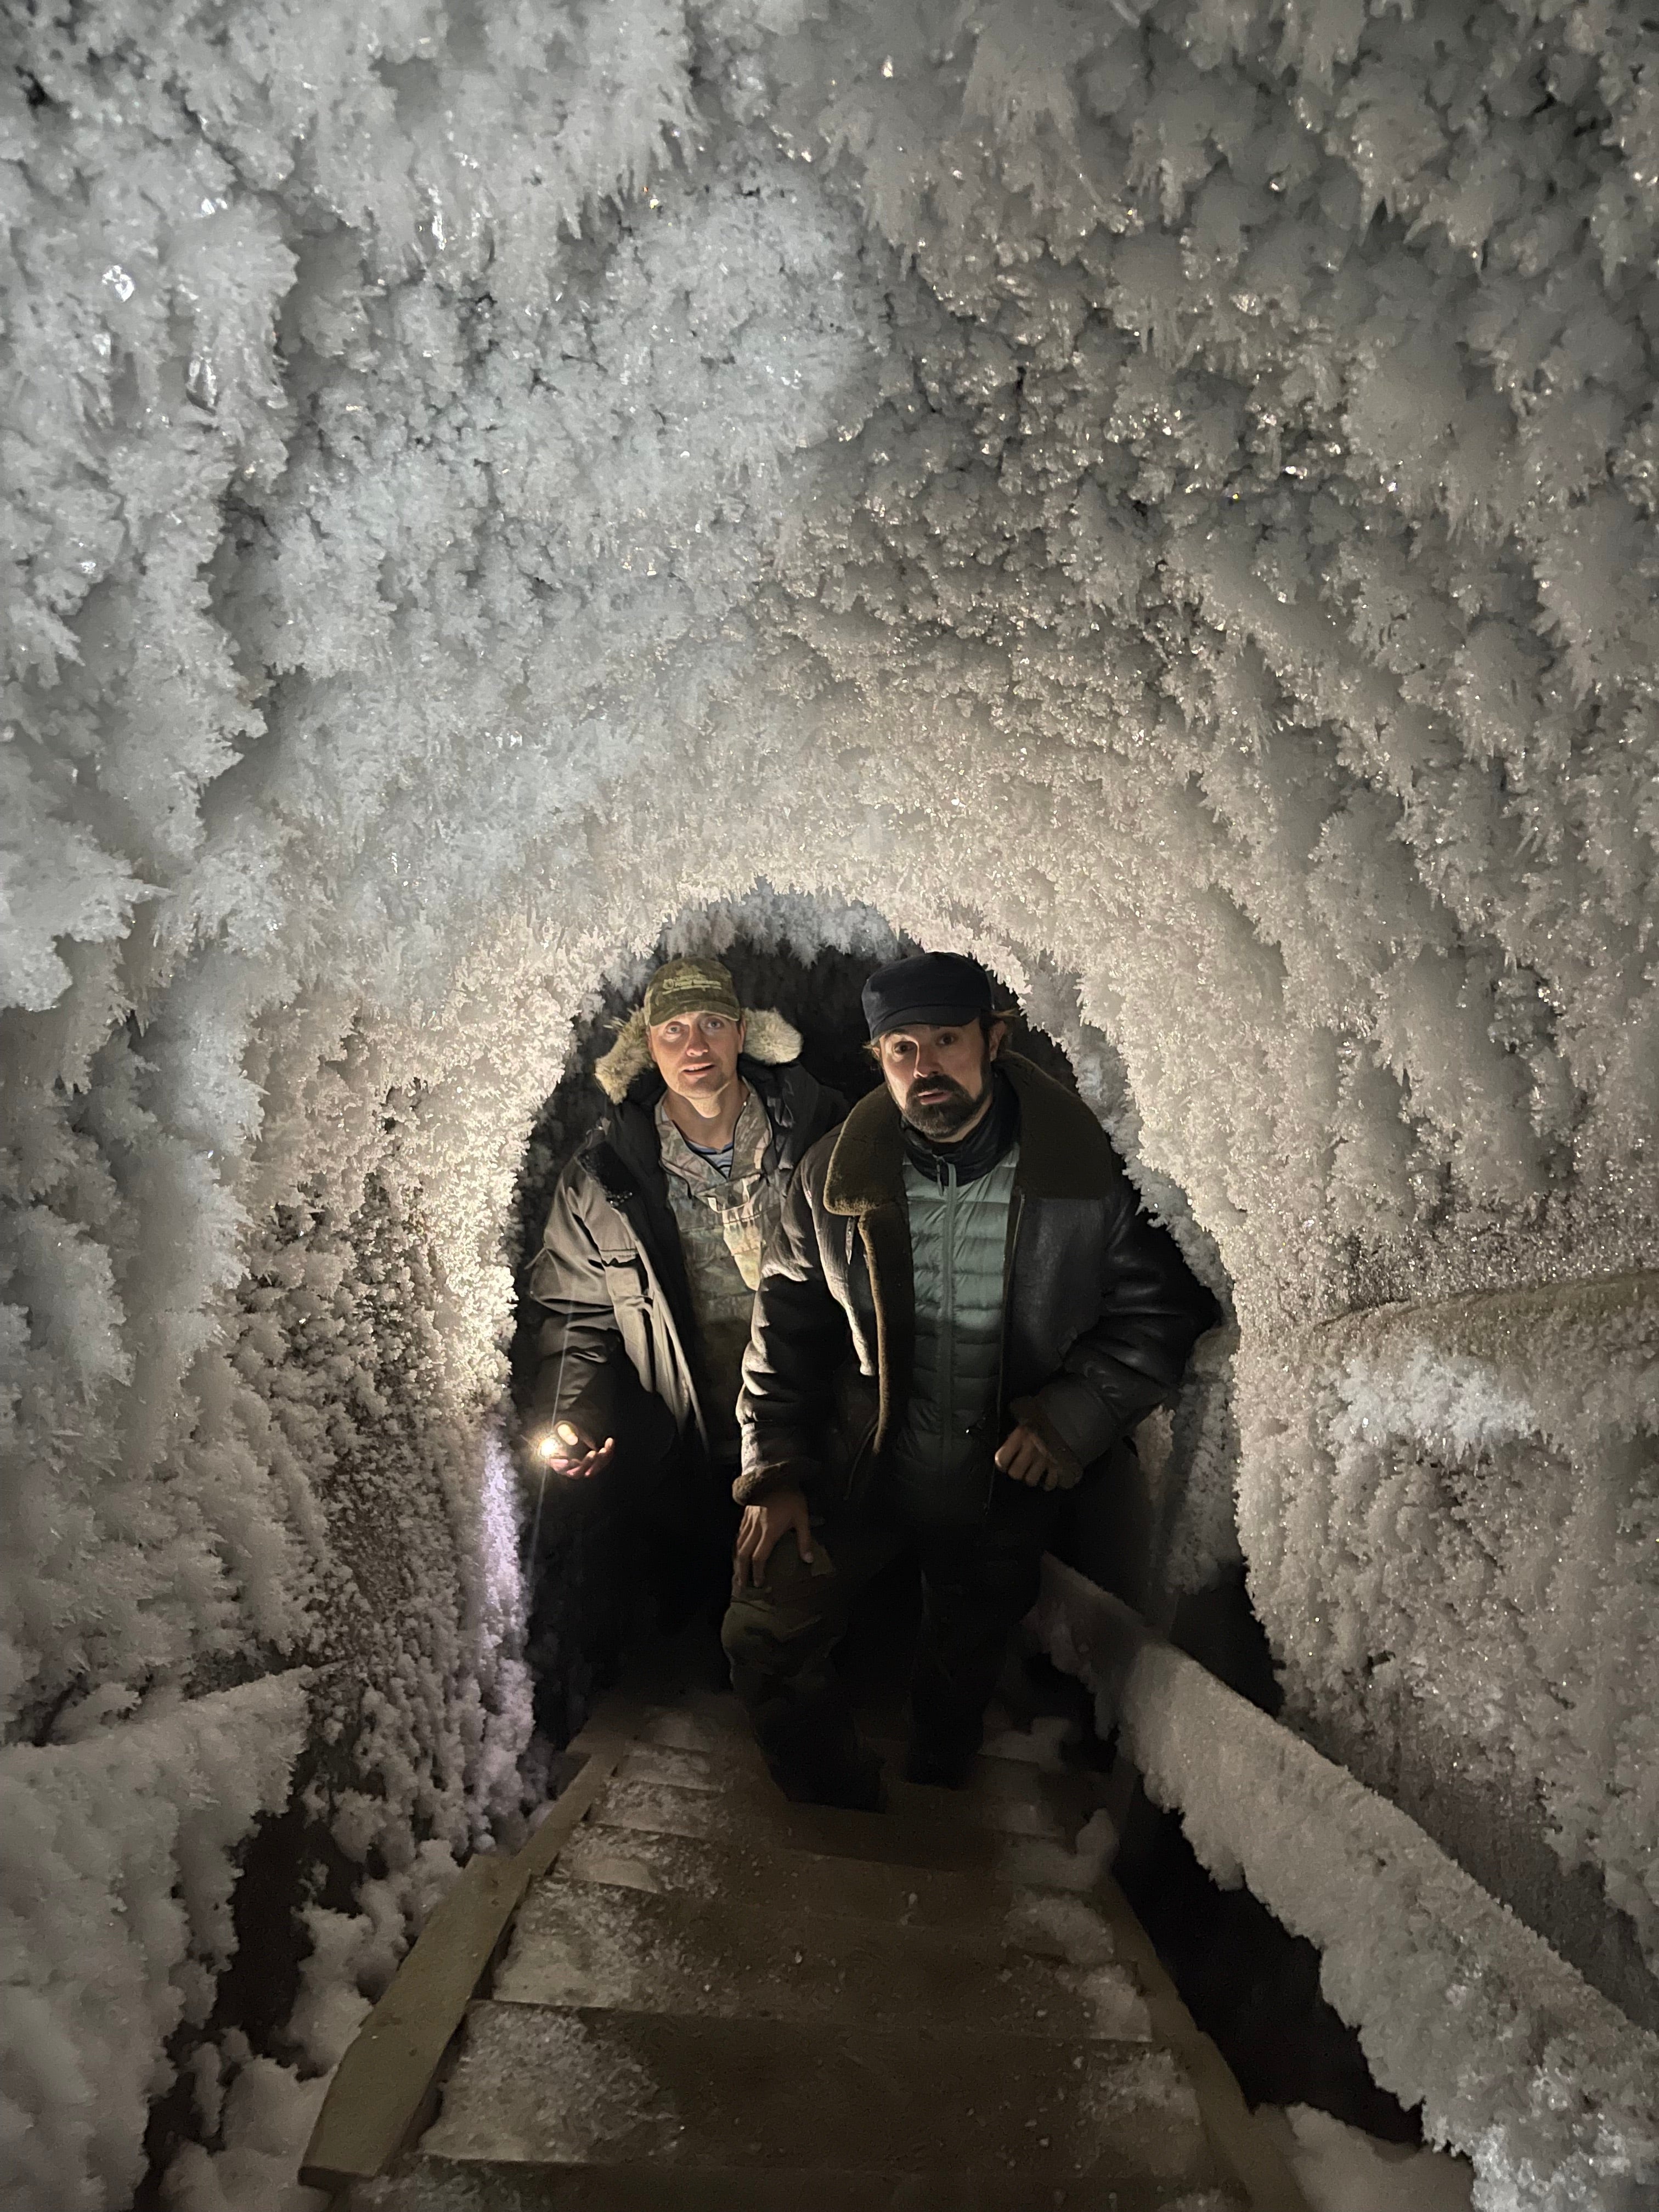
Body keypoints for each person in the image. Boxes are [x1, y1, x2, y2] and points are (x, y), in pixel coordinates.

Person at [723, 951, 1218, 1807]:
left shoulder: (1086, 1178)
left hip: (1003, 1482)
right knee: (763, 1629)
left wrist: (1074, 1417)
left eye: (946, 1041)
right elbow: (786, 1323)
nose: (926, 1069)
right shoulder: (829, 1179)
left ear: (992, 1040)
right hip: (866, 1466)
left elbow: (1160, 1310)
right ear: (878, 1058)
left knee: (965, 1657)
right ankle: (838, 1805)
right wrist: (775, 1467)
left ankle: (940, 1790)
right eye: (902, 1049)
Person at [524, 955, 847, 1643]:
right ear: (646, 1048)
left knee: (822, 1617)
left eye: (711, 1025)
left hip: (820, 1429)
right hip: (688, 1447)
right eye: (672, 1031)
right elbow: (574, 1313)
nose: (694, 1046)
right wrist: (575, 1411)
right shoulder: (604, 1176)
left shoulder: (821, 1135)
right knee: (711, 1626)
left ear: (742, 1034)